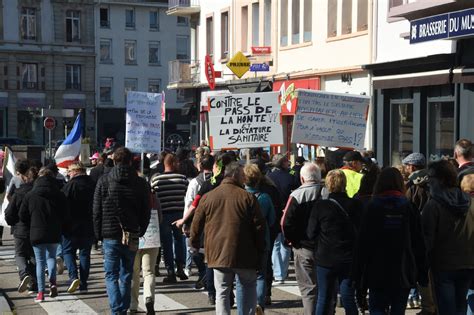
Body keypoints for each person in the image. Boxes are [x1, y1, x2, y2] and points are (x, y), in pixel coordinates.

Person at [190, 162, 265, 315]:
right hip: (245, 252)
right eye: (242, 175)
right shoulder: (248, 197)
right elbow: (259, 227)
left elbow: (196, 224)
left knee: (222, 292)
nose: (244, 178)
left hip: (218, 253)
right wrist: (260, 249)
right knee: (248, 288)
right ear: (235, 176)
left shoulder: (208, 197)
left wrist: (195, 243)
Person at [353, 167, 427, 315]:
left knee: (377, 308)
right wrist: (422, 274)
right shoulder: (409, 208)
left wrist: (358, 277)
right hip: (403, 270)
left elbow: (362, 244)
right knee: (398, 310)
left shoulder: (372, 208)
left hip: (377, 269)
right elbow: (419, 244)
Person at [93, 147, 151, 314]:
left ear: (114, 161)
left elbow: (96, 210)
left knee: (111, 274)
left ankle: (117, 309)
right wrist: (142, 229)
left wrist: (97, 235)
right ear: (131, 161)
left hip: (109, 234)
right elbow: (146, 209)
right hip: (132, 232)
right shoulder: (140, 182)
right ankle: (122, 309)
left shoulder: (104, 181)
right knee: (127, 274)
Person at [422, 160, 474, 315]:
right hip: (467, 262)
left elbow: (427, 239)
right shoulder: (470, 202)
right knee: (460, 305)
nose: (428, 181)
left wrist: (423, 264)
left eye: (431, 177)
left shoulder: (433, 206)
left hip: (443, 265)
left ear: (441, 179)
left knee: (447, 307)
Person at [307, 169, 362, 315]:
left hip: (325, 256)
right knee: (348, 297)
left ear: (328, 184)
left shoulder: (320, 206)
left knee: (323, 297)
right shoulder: (355, 204)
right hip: (348, 256)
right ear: (344, 183)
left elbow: (310, 232)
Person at [19, 167, 69, 303]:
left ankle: (41, 293)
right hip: (54, 231)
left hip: (36, 231)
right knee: (51, 257)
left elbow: (22, 215)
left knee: (40, 262)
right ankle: (52, 282)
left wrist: (31, 223)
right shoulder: (59, 194)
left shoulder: (31, 194)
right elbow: (65, 214)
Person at [281, 162, 322, 315]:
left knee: (308, 288)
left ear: (302, 178)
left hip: (303, 247)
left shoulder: (297, 195)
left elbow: (285, 223)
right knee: (325, 287)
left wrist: (292, 241)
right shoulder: (326, 193)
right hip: (323, 246)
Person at [150, 153, 188, 283]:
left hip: (163, 215)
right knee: (179, 241)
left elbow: (152, 197)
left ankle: (170, 271)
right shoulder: (182, 179)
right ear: (173, 163)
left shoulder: (156, 180)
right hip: (179, 213)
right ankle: (180, 268)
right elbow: (187, 197)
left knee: (166, 244)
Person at [243, 164, 275, 314]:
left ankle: (244, 305)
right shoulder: (266, 198)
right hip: (263, 239)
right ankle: (259, 304)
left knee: (242, 276)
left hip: (244, 240)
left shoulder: (240, 196)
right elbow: (273, 219)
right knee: (261, 274)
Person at [61, 162, 95, 294]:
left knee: (68, 251)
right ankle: (84, 283)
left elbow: (62, 204)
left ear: (75, 171)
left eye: (69, 172)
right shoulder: (93, 184)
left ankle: (74, 277)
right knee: (85, 254)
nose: (68, 174)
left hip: (71, 225)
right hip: (89, 224)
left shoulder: (70, 185)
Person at [5, 167, 38, 293]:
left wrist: (12, 222)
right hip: (37, 228)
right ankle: (34, 282)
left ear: (25, 178)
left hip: (20, 228)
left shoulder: (19, 192)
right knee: (33, 255)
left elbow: (9, 212)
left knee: (20, 254)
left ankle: (24, 274)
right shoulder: (38, 192)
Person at [268, 154, 296, 284]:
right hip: (287, 211)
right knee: (285, 244)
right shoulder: (290, 176)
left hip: (274, 211)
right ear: (282, 163)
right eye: (286, 161)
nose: (288, 162)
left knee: (276, 244)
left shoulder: (268, 177)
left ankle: (278, 273)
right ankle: (282, 272)